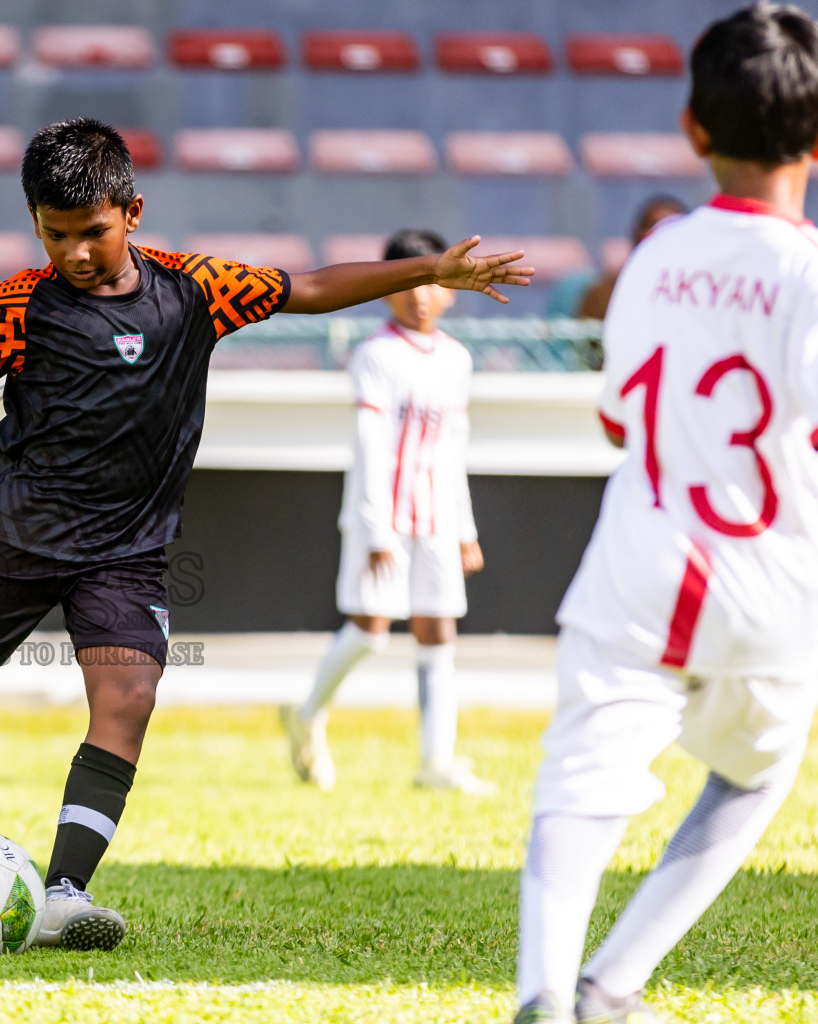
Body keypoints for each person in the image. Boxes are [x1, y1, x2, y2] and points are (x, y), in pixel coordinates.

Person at [0, 118, 531, 952]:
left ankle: (62, 891)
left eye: (91, 232)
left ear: (131, 212)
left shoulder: (196, 288)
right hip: (16, 539)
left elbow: (310, 287)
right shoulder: (21, 304)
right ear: (35, 225)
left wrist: (432, 268)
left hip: (128, 554)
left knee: (127, 703)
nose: (75, 253)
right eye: (54, 234)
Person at [514, 6, 818, 1022]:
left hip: (639, 560)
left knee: (578, 778)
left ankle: (547, 991)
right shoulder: (808, 271)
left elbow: (617, 422)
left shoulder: (651, 257)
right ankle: (616, 982)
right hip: (770, 575)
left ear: (693, 127)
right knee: (754, 777)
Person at [283, 229, 491, 795]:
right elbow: (371, 445)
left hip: (437, 519)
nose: (420, 295)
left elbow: (454, 445)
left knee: (438, 630)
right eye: (408, 282)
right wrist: (376, 529)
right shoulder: (375, 355)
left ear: (449, 290)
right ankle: (306, 713)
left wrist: (464, 528)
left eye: (430, 282)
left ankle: (436, 762)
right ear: (387, 290)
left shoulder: (456, 359)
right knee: (372, 628)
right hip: (385, 518)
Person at [573, 195, 690, 319]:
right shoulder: (604, 294)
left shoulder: (700, 295)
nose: (662, 235)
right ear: (637, 234)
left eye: (673, 228)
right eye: (653, 226)